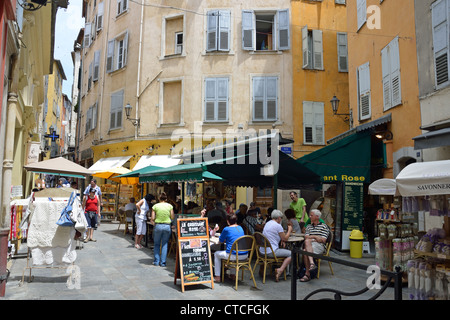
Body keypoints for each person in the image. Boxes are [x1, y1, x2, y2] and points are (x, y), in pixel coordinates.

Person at [213, 213, 246, 282]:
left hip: (234, 255)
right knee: (234, 250)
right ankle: (233, 274)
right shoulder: (240, 228)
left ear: (228, 221)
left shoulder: (226, 229)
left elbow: (220, 240)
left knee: (216, 254)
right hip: (245, 255)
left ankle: (217, 276)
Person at [261, 209, 292, 282]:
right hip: (271, 251)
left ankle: (283, 270)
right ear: (278, 218)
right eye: (281, 218)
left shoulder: (268, 223)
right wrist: (289, 230)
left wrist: (281, 239)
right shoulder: (278, 226)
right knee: (292, 254)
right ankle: (280, 270)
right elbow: (285, 238)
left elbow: (274, 235)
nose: (281, 219)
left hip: (262, 251)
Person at [300, 209, 330, 282]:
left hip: (319, 246)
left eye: (311, 215)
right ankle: (312, 264)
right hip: (310, 245)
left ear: (317, 217)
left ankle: (307, 274)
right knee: (306, 245)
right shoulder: (309, 226)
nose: (309, 217)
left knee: (305, 250)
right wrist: (315, 237)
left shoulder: (324, 226)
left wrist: (311, 238)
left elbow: (323, 240)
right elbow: (306, 237)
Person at [150, 192, 174, 267]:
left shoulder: (155, 206)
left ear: (159, 198)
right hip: (167, 226)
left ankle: (156, 261)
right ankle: (163, 262)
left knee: (156, 244)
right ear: (166, 199)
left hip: (158, 226)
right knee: (164, 244)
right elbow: (172, 217)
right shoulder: (170, 206)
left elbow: (153, 218)